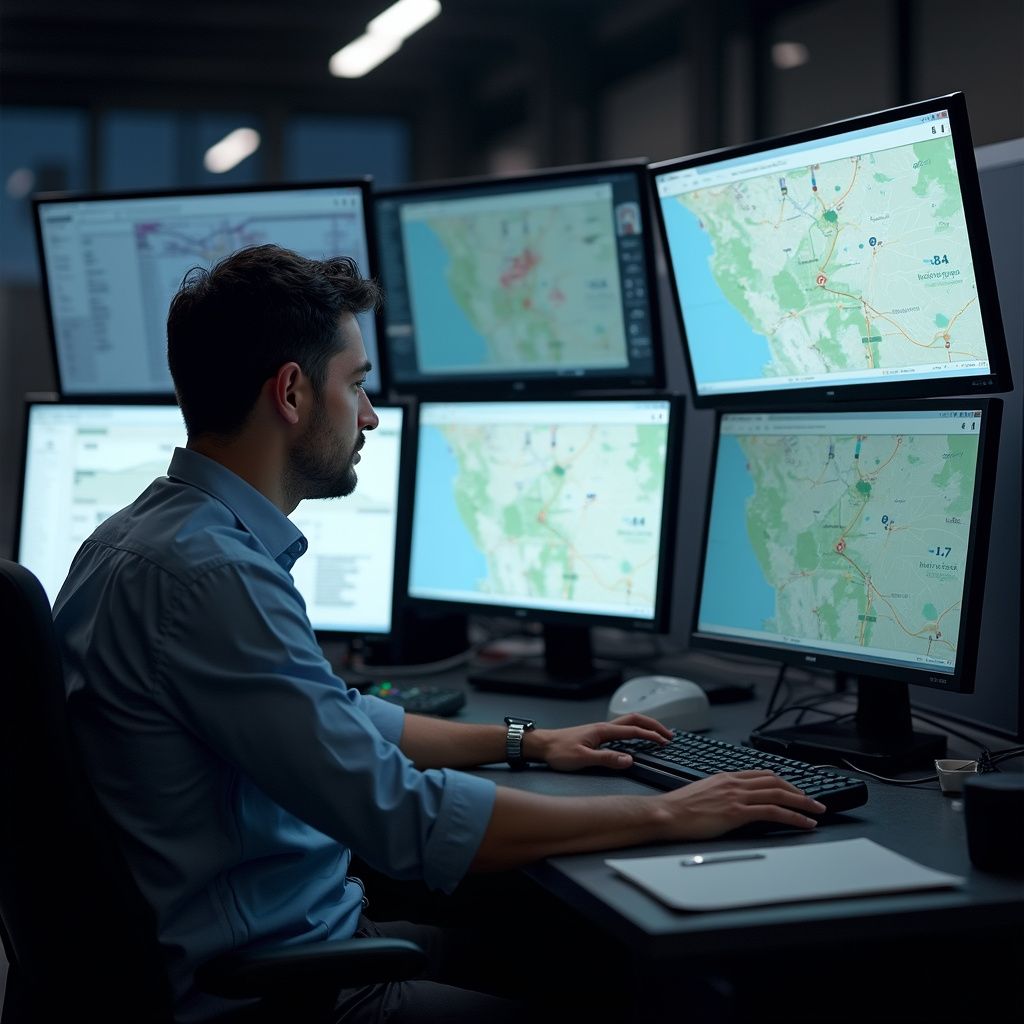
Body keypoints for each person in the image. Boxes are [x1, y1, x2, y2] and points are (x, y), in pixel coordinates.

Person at [53, 243, 826, 1023]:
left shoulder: (146, 539)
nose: (370, 415)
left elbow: (336, 719)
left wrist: (528, 741)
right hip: (280, 991)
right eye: (355, 385)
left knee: (573, 955)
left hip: (280, 942)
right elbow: (404, 820)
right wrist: (670, 813)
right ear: (290, 392)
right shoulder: (212, 575)